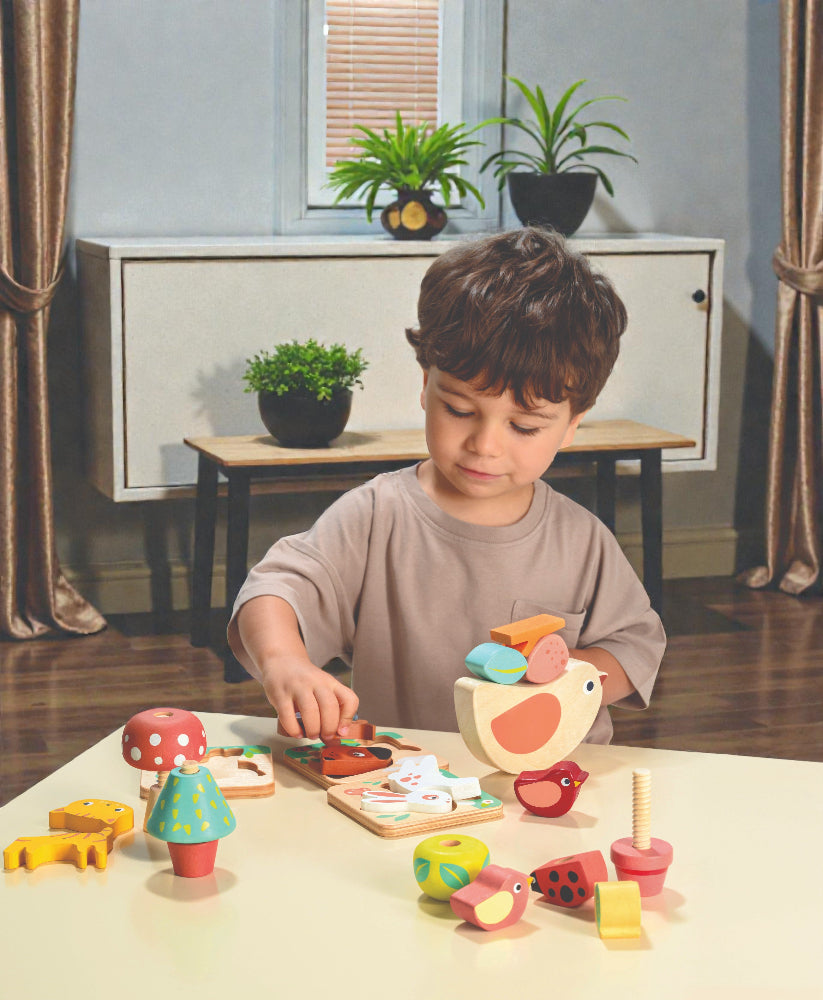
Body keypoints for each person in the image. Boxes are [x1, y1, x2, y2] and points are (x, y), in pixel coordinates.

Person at [228, 227, 665, 743]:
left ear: (573, 423)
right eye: (459, 409)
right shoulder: (375, 515)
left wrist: (565, 680)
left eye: (524, 426)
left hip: (547, 788)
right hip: (404, 789)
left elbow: (634, 643)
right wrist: (284, 661)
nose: (485, 444)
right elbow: (275, 590)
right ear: (425, 384)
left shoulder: (582, 541)